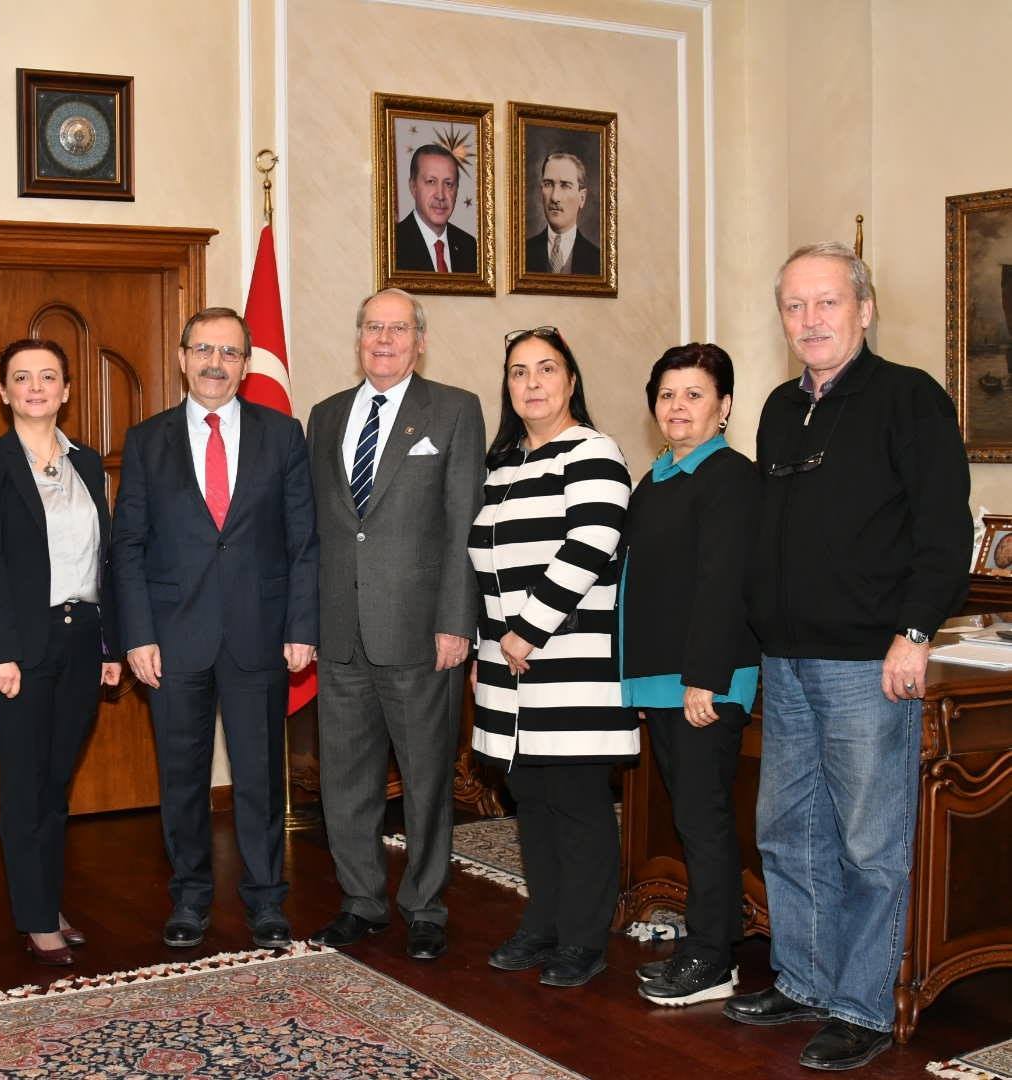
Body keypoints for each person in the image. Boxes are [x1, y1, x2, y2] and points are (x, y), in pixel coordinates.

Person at [726, 242, 971, 1071]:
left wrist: (915, 632)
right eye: (795, 306)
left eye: (827, 302)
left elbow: (944, 531)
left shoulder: (910, 398)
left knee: (869, 844)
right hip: (786, 660)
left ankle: (861, 1006)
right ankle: (804, 980)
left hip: (869, 662)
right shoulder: (777, 407)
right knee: (788, 833)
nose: (810, 320)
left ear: (864, 309)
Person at [110, 305, 319, 952]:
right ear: (182, 358)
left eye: (229, 352)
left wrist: (302, 625)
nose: (215, 363)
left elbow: (303, 541)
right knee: (182, 778)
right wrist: (137, 634)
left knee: (260, 777)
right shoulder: (147, 440)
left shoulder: (282, 435)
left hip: (260, 633)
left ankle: (266, 900)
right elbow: (128, 546)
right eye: (203, 349)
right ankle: (190, 896)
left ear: (247, 364)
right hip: (172, 640)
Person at [305, 288, 484, 962]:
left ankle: (425, 906)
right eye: (373, 327)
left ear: (420, 341)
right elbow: (320, 529)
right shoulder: (325, 415)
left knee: (428, 778)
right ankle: (361, 900)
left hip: (419, 632)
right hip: (340, 630)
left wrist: (456, 622)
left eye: (398, 328)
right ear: (358, 338)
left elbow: (464, 523)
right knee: (345, 779)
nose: (384, 339)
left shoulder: (454, 409)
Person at [470, 326, 633, 989]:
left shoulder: (594, 451)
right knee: (531, 800)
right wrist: (489, 644)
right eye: (519, 371)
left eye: (545, 369)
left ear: (570, 380)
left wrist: (528, 629)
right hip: (507, 667)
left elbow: (590, 544)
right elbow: (486, 565)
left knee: (577, 803)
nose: (532, 382)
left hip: (571, 661)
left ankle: (584, 938)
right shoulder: (503, 465)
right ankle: (543, 921)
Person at [0, 339, 123, 966]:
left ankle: (46, 900)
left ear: (66, 391)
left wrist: (110, 642)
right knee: (25, 783)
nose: (36, 387)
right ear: (4, 393)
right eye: (22, 377)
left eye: (48, 377)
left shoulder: (87, 463)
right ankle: (34, 917)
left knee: (57, 784)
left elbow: (105, 558)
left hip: (82, 639)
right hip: (19, 651)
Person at [618, 343, 760, 1007]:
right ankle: (709, 942)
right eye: (668, 394)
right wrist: (635, 682)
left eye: (694, 394)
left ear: (723, 407)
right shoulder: (657, 479)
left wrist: (703, 677)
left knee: (703, 819)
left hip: (705, 679)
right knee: (688, 815)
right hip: (662, 679)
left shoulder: (730, 477)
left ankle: (713, 959)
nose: (678, 406)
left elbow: (723, 582)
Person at [394, 144, 478, 273]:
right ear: (413, 187)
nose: (440, 196)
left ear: (457, 190)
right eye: (431, 182)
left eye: (448, 184)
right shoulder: (392, 245)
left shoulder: (470, 247)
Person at [523, 152, 601, 276]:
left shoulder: (599, 261)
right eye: (548, 184)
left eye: (565, 186)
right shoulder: (521, 253)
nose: (555, 197)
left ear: (582, 198)